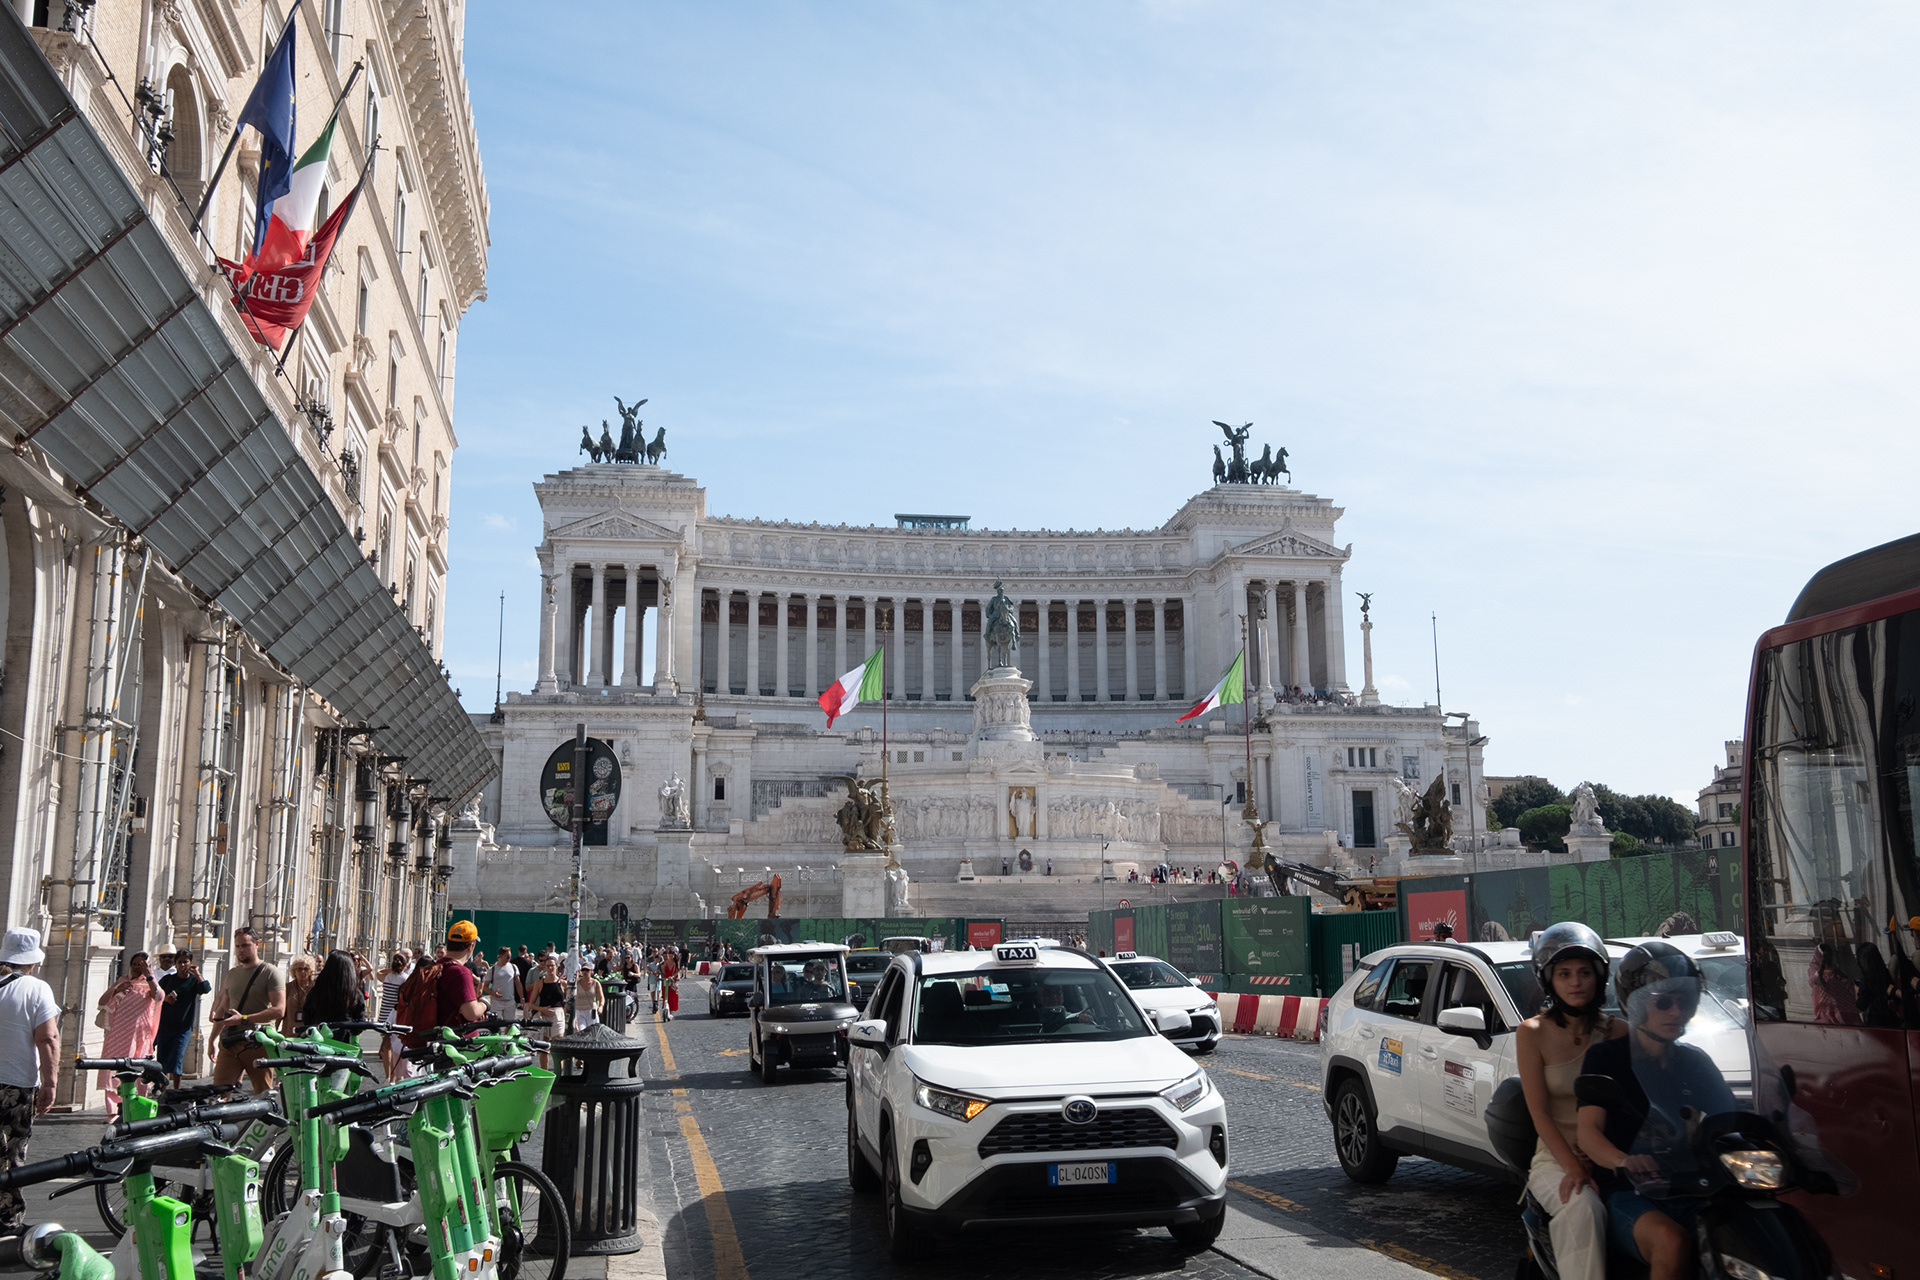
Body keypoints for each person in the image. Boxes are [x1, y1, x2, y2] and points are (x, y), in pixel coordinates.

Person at [1577, 942, 1736, 1280]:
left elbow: (1728, 1115)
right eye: (1663, 1002)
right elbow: (1588, 1130)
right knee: (1671, 1241)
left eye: (1685, 1001)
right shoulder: (1606, 1058)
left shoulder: (1695, 1061)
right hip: (1628, 1190)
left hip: (1694, 1186)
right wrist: (1623, 1160)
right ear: (1634, 1006)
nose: (1676, 1012)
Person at [1515, 923, 1625, 1280]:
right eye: (1564, 974)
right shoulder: (1532, 1033)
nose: (1576, 982)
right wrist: (1574, 1166)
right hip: (1555, 1158)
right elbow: (1539, 1113)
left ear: (1599, 977)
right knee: (1582, 1210)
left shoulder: (1619, 1033)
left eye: (1584, 973)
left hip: (1613, 1153)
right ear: (1549, 980)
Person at [0, 928, 59, 1233]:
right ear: (32, 961)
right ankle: (8, 1221)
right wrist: (50, 1082)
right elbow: (47, 1038)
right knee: (11, 1154)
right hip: (16, 1085)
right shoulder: (37, 989)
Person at [208, 928, 285, 1094]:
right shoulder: (232, 974)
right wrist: (212, 1040)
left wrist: (244, 1018)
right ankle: (219, 1119)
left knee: (263, 1094)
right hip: (230, 1042)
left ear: (257, 944)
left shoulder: (270, 972)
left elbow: (279, 1010)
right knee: (218, 1093)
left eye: (245, 945)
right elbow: (223, 1009)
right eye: (237, 946)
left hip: (258, 1042)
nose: (240, 950)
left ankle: (263, 1120)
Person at [95, 951, 164, 1117]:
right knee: (114, 1067)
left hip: (139, 1034)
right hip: (117, 1034)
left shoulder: (150, 984)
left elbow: (159, 996)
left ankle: (136, 1105)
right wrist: (118, 989)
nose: (136, 968)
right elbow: (102, 1001)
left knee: (137, 1068)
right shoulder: (122, 981)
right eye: (135, 964)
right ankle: (113, 1109)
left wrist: (149, 976)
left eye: (141, 965)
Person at [156, 949, 212, 1088]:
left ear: (190, 963)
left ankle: (176, 1088)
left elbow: (206, 988)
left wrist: (197, 973)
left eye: (185, 962)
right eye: (180, 962)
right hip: (165, 1025)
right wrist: (166, 1000)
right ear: (176, 964)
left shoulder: (193, 981)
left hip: (183, 1027)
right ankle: (162, 1087)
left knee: (177, 1056)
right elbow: (156, 995)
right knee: (162, 1057)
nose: (182, 965)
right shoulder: (168, 980)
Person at [428, 921, 488, 1035]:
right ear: (471, 946)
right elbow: (471, 1013)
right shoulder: (460, 973)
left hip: (434, 1037)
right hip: (456, 1044)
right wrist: (484, 1004)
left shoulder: (435, 966)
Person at [300, 951, 366, 1031]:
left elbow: (307, 1017)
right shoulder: (355, 995)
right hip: (345, 1040)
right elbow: (360, 1025)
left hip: (319, 1038)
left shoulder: (316, 991)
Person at [378, 950, 413, 1081]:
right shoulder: (405, 979)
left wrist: (390, 969)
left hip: (384, 1013)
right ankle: (395, 1075)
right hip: (396, 1014)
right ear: (405, 966)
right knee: (395, 1046)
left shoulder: (387, 977)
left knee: (386, 1045)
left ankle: (388, 1075)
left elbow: (378, 974)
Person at [280, 955, 316, 1035]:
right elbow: (280, 1013)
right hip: (290, 1033)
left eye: (306, 969)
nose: (302, 972)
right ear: (294, 971)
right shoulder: (287, 988)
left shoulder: (316, 988)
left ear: (311, 971)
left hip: (310, 1034)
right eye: (299, 969)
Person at [487, 947, 523, 1023]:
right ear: (500, 956)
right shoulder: (492, 969)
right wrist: (494, 993)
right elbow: (485, 987)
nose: (509, 958)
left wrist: (521, 998)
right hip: (496, 1002)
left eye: (510, 956)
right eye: (507, 956)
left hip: (510, 1001)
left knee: (510, 1024)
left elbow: (518, 984)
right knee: (496, 1025)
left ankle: (507, 1035)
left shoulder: (513, 967)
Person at [573, 965, 604, 1032]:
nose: (585, 972)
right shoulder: (577, 984)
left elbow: (601, 997)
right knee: (581, 1031)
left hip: (591, 1011)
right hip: (579, 1011)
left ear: (591, 971)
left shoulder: (596, 983)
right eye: (583, 970)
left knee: (592, 1032)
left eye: (587, 970)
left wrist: (601, 1006)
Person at [659, 949, 679, 1021]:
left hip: (672, 979)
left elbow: (677, 972)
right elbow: (663, 971)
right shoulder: (665, 962)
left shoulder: (675, 963)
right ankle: (666, 1009)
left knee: (673, 996)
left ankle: (671, 1012)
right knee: (666, 996)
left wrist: (673, 977)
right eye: (669, 956)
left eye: (671, 956)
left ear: (673, 956)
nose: (670, 957)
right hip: (666, 979)